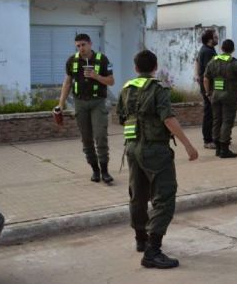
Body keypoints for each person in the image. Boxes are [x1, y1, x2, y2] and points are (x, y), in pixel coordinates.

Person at [117, 49, 199, 269]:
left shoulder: (126, 89)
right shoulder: (158, 89)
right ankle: (153, 250)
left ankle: (141, 239)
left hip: (132, 148)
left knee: (138, 194)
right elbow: (168, 119)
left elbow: (121, 118)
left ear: (135, 68)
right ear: (155, 67)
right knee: (164, 197)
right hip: (154, 150)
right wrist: (189, 146)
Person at [57, 33, 115, 184]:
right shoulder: (72, 60)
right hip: (80, 103)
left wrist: (96, 76)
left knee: (100, 136)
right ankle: (95, 170)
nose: (81, 48)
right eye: (78, 45)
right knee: (86, 139)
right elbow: (67, 82)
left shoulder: (102, 59)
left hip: (98, 102)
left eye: (83, 45)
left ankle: (105, 171)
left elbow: (111, 81)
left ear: (90, 44)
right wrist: (60, 104)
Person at [203, 39, 237, 158]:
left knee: (216, 120)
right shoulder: (235, 64)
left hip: (215, 96)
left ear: (222, 49)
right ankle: (224, 149)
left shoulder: (212, 62)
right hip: (229, 97)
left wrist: (208, 93)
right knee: (227, 121)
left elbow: (205, 79)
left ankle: (218, 148)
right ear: (233, 50)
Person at [194, 29, 218, 150]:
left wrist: (197, 75)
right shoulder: (207, 51)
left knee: (211, 112)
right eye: (215, 37)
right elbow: (209, 73)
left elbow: (197, 61)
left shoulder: (207, 49)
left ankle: (212, 138)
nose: (217, 38)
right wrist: (208, 91)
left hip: (207, 86)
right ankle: (208, 140)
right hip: (208, 87)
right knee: (209, 113)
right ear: (210, 39)